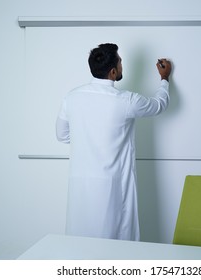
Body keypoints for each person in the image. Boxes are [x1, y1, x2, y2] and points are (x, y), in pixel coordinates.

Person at [56, 43, 172, 241]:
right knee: (114, 244)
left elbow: (62, 135)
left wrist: (87, 139)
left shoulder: (72, 97)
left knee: (80, 243)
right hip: (112, 187)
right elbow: (159, 105)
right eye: (120, 61)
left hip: (81, 187)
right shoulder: (126, 100)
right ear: (112, 71)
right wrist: (164, 79)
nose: (121, 65)